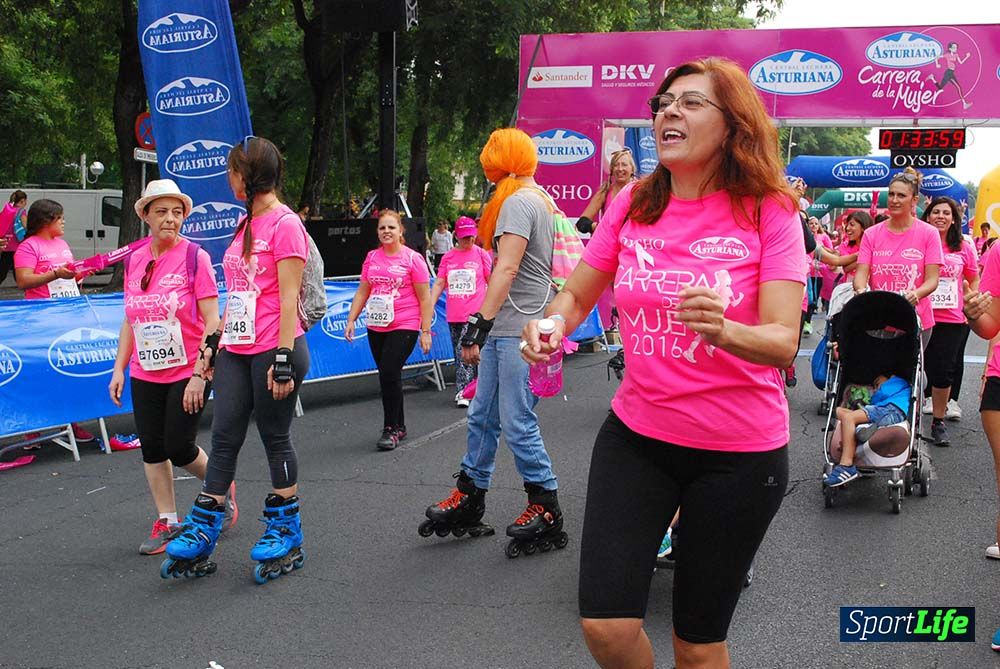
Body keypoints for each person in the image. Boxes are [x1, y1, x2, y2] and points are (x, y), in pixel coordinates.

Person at [521, 59, 804, 668]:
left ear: (732, 127)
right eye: (663, 102)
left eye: (690, 103)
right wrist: (552, 323)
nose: (668, 112)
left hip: (739, 456)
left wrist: (725, 330)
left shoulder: (768, 209)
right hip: (638, 439)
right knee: (606, 628)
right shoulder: (633, 202)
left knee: (697, 646)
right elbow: (577, 293)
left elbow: (783, 340)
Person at [163, 137, 311, 582]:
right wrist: (212, 346)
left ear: (246, 176)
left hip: (274, 347)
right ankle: (206, 524)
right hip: (237, 348)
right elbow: (239, 294)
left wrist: (283, 357)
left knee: (274, 436)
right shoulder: (245, 225)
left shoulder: (285, 224)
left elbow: (289, 298)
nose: (227, 179)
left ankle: (287, 528)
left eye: (231, 172)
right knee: (224, 436)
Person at [421, 128, 567, 558]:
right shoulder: (534, 198)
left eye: (489, 154)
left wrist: (476, 327)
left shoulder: (518, 202)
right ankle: (470, 493)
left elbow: (505, 270)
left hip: (518, 329)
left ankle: (546, 504)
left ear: (498, 159)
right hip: (513, 326)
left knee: (516, 420)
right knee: (483, 415)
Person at [107, 179, 234, 555]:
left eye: (177, 212)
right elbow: (130, 318)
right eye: (161, 212)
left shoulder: (195, 257)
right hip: (146, 369)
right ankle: (168, 520)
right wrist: (119, 368)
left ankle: (221, 486)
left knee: (179, 446)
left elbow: (213, 319)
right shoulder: (134, 258)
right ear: (146, 215)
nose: (170, 219)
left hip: (188, 368)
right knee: (152, 448)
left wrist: (202, 369)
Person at [345, 210, 433, 449]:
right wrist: (352, 319)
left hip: (405, 323)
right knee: (389, 375)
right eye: (382, 228)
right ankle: (400, 425)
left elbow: (425, 298)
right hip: (376, 323)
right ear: (378, 231)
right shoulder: (372, 257)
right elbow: (363, 290)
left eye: (391, 228)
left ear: (401, 231)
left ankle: (390, 429)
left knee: (388, 371)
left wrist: (425, 331)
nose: (386, 232)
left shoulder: (413, 259)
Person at [14, 199, 97, 445]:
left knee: (69, 371)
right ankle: (34, 427)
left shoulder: (61, 243)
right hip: (41, 319)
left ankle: (71, 421)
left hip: (67, 314)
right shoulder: (28, 247)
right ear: (45, 220)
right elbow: (23, 280)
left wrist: (80, 274)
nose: (63, 222)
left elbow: (67, 277)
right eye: (59, 218)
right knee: (42, 372)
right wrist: (55, 273)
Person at [853, 168, 942, 352]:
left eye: (901, 195)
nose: (894, 200)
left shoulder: (929, 233)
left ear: (914, 200)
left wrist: (916, 294)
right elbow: (861, 273)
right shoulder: (871, 234)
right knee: (876, 374)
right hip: (878, 319)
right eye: (891, 194)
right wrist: (861, 290)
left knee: (908, 374)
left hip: (916, 318)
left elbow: (933, 280)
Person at [918, 197, 978, 446]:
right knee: (911, 367)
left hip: (952, 318)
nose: (941, 216)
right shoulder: (919, 241)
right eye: (935, 212)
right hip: (920, 314)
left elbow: (974, 277)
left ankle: (938, 421)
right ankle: (903, 418)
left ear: (954, 218)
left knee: (943, 371)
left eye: (946, 213)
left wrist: (969, 302)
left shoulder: (963, 245)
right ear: (928, 216)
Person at [429, 215, 493, 408]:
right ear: (456, 236)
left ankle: (463, 390)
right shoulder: (448, 257)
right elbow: (440, 282)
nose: (469, 241)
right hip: (454, 314)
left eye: (472, 236)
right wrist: (429, 304)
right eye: (465, 237)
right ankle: (479, 388)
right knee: (461, 354)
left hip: (475, 315)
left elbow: (491, 280)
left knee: (464, 349)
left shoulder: (481, 254)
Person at [824, 374, 911, 487]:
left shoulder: (897, 381)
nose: (876, 388)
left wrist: (873, 396)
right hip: (887, 413)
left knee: (848, 418)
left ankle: (846, 464)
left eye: (877, 384)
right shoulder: (900, 389)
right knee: (839, 411)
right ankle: (864, 428)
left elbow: (882, 393)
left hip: (889, 409)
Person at [576, 148, 638, 234]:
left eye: (624, 165)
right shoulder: (605, 192)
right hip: (610, 243)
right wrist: (598, 227)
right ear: (611, 170)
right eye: (616, 165)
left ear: (632, 169)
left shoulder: (641, 191)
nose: (620, 169)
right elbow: (581, 223)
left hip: (633, 242)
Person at [0, 190, 27, 284]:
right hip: (17, 243)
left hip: (6, 242)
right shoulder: (21, 212)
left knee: (6, 264)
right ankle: (22, 282)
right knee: (16, 265)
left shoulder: (6, 210)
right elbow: (25, 226)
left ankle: (20, 281)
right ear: (22, 201)